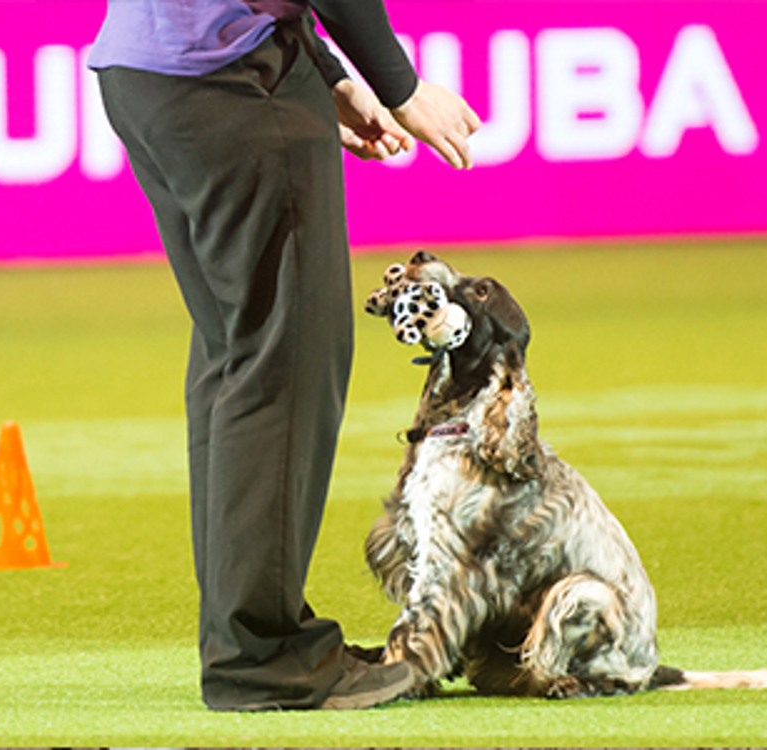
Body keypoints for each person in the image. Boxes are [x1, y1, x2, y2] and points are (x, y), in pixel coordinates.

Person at [88, 0, 480, 711]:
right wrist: (401, 86)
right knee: (283, 361)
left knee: (236, 355)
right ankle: (264, 654)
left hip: (147, 72)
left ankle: (245, 643)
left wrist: (328, 73)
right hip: (232, 80)